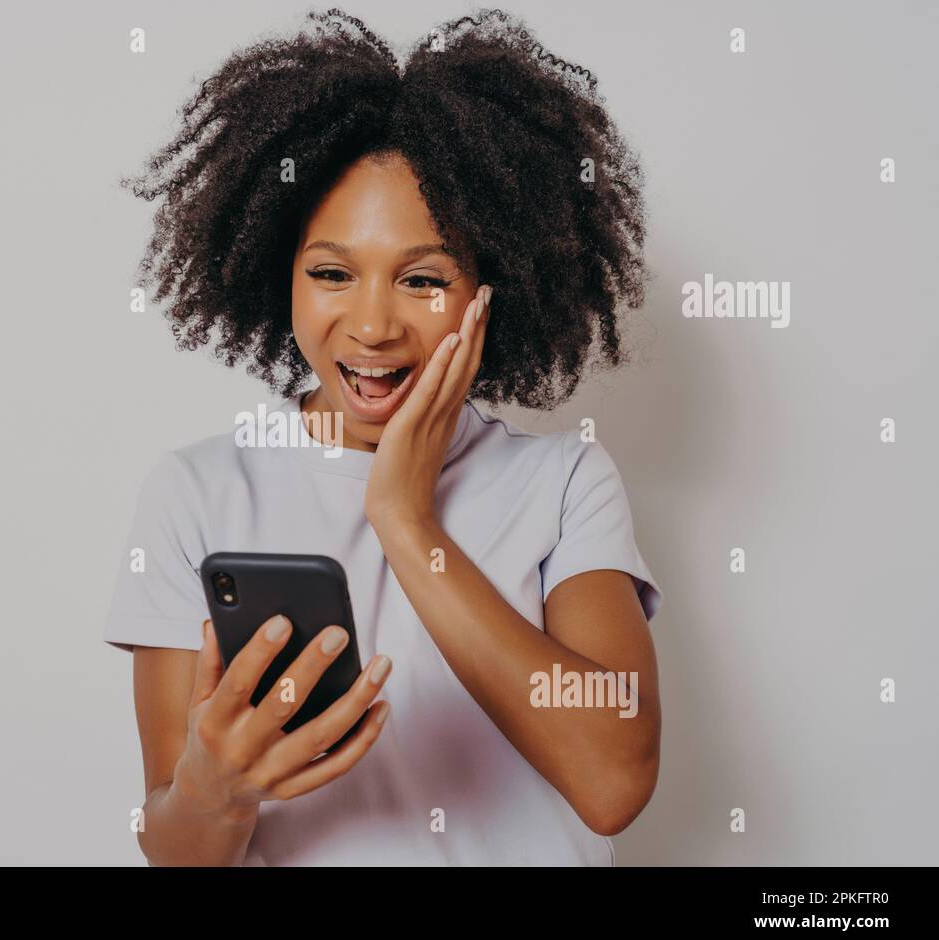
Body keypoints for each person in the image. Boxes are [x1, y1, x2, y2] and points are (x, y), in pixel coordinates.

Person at [106, 8, 662, 866]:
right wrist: (213, 791)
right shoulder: (198, 493)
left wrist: (405, 519)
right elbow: (174, 850)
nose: (371, 325)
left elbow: (614, 782)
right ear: (275, 274)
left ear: (490, 289)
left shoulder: (563, 482)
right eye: (331, 273)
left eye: (422, 279)